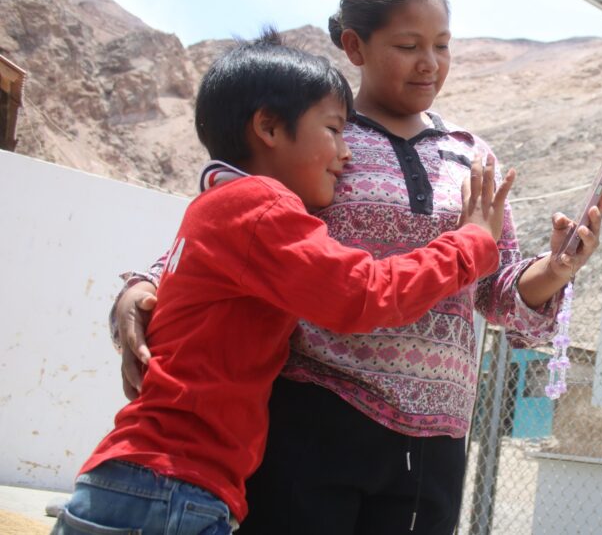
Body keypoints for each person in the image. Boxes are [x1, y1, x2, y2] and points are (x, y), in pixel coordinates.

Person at [112, 0, 602, 534]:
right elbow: (244, 229)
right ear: (355, 46)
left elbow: (492, 289)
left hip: (436, 437)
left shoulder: (472, 156)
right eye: (408, 45)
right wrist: (142, 286)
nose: (430, 63)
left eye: (442, 45)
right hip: (315, 412)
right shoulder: (321, 139)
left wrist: (554, 269)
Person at [56, 32, 512, 534]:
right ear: (269, 127)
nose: (346, 153)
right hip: (171, 490)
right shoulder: (260, 209)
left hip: (148, 481)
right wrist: (470, 243)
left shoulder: (215, 206)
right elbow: (364, 293)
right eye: (334, 130)